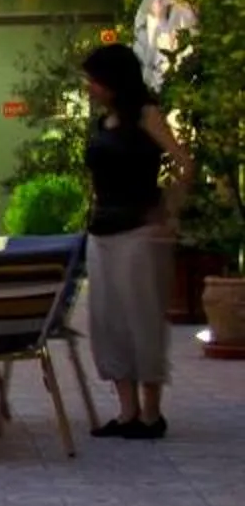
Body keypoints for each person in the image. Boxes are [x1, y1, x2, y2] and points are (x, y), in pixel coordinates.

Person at [79, 41, 189, 439]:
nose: (89, 87)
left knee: (142, 318)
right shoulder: (101, 124)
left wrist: (169, 211)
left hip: (139, 231)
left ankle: (150, 412)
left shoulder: (147, 115)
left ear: (113, 81)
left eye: (94, 80)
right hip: (103, 231)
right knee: (108, 321)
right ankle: (126, 411)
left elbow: (184, 163)